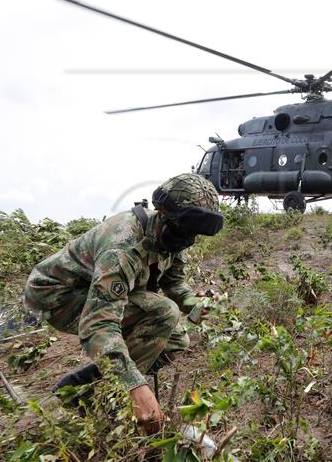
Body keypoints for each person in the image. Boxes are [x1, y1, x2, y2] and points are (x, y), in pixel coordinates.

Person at [24, 173, 224, 434]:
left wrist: (192, 302)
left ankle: (84, 388)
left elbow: (174, 283)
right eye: (184, 231)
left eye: (194, 235)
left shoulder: (174, 236)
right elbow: (100, 324)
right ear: (163, 215)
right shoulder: (123, 248)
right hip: (58, 296)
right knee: (163, 313)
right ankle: (110, 399)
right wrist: (135, 387)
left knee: (175, 340)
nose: (188, 240)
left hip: (92, 291)